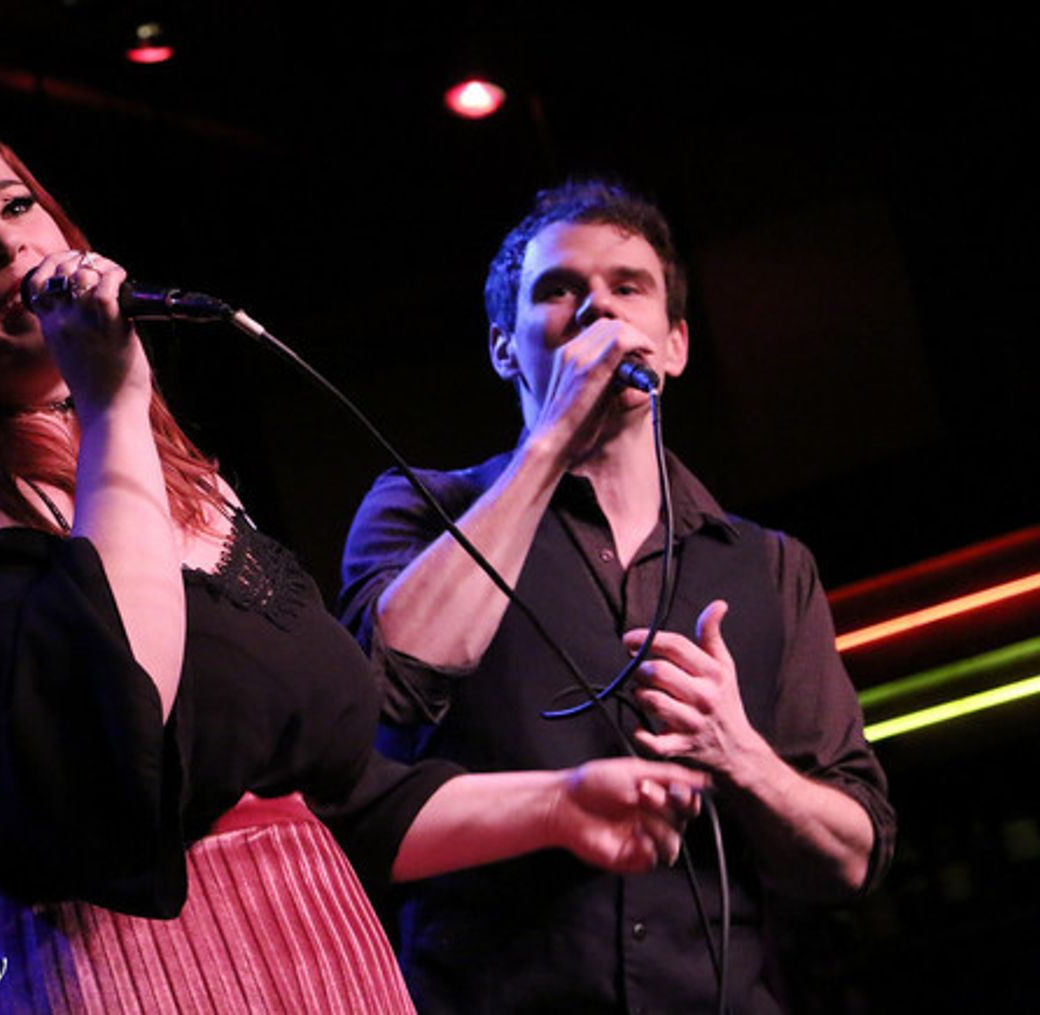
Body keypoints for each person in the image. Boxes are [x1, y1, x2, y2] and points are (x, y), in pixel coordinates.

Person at [0, 124, 707, 1013]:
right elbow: (111, 746)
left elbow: (338, 794)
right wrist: (115, 401)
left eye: (17, 204)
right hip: (99, 978)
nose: (11, 243)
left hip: (319, 958)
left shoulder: (185, 490)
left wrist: (559, 802)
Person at [337, 180, 896, 1012]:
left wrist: (738, 752)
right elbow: (386, 687)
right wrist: (555, 435)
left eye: (627, 287)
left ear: (673, 346)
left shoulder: (772, 566)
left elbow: (854, 855)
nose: (596, 306)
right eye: (559, 289)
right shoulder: (422, 508)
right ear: (503, 346)